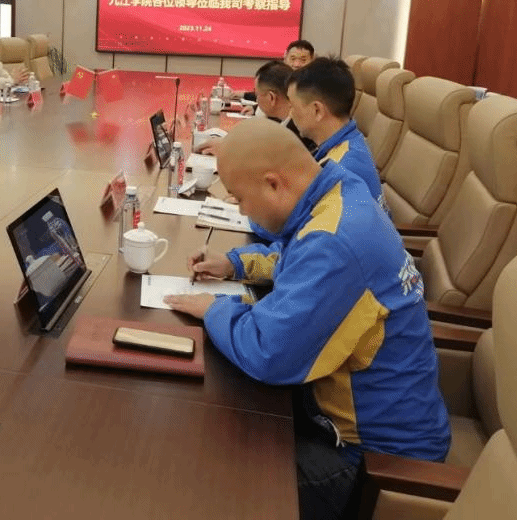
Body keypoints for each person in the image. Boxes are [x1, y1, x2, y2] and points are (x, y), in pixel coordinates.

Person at [164, 118, 450, 520]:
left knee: (205, 483)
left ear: (273, 184)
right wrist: (234, 263)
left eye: (240, 199)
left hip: (373, 458)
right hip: (347, 417)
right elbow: (298, 257)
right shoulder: (340, 193)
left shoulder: (336, 242)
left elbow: (268, 352)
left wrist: (214, 309)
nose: (242, 210)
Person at [287, 56, 385, 209]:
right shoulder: (346, 143)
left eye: (293, 106)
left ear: (317, 110)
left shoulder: (341, 170)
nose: (290, 114)